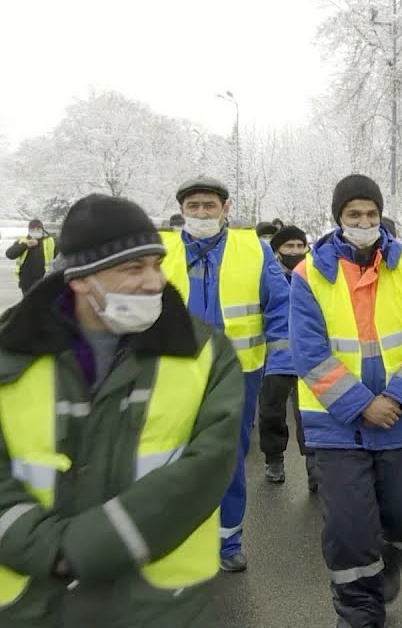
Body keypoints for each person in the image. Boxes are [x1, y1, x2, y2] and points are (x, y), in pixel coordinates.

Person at [0, 194, 243, 627]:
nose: (155, 281)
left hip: (158, 607)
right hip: (31, 606)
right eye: (134, 268)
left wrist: (84, 549)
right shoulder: (9, 355)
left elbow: (207, 467)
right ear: (80, 280)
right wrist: (45, 550)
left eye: (156, 264)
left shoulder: (204, 353)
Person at [290, 174, 402, 628]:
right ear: (339, 217)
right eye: (354, 214)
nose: (364, 221)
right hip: (338, 426)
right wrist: (361, 404)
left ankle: (389, 566)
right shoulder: (309, 275)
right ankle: (359, 613)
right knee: (350, 530)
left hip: (401, 419)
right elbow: (309, 353)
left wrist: (396, 398)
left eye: (371, 214)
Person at [160, 176, 291, 572]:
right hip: (172, 376)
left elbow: (279, 307)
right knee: (171, 457)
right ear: (182, 211)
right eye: (193, 206)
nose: (201, 213)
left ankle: (227, 541)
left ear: (225, 209)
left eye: (209, 206)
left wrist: (283, 365)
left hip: (237, 375)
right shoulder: (159, 251)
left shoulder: (253, 249)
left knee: (228, 458)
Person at [257, 225, 316, 490]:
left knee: (309, 416)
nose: (295, 251)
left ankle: (315, 469)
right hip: (276, 361)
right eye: (288, 246)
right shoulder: (267, 276)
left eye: (299, 246)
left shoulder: (315, 274)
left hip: (310, 360)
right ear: (277, 250)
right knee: (271, 414)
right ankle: (274, 460)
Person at [6, 219, 58, 295]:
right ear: (29, 230)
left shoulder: (50, 241)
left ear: (42, 230)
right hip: (26, 282)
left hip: (45, 280)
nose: (35, 231)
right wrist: (25, 245)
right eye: (33, 229)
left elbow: (61, 257)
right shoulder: (22, 241)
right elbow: (9, 254)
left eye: (38, 229)